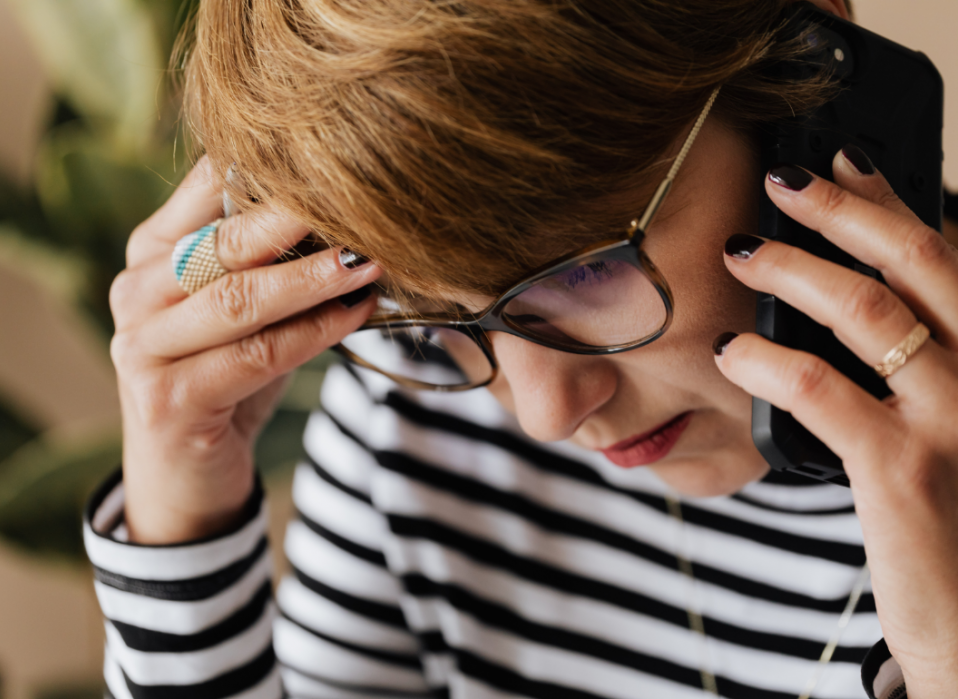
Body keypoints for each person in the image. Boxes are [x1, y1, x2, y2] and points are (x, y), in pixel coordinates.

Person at [85, 0, 958, 697]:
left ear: (808, 65)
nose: (545, 414)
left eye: (586, 275)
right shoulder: (417, 406)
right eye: (432, 312)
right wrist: (180, 528)